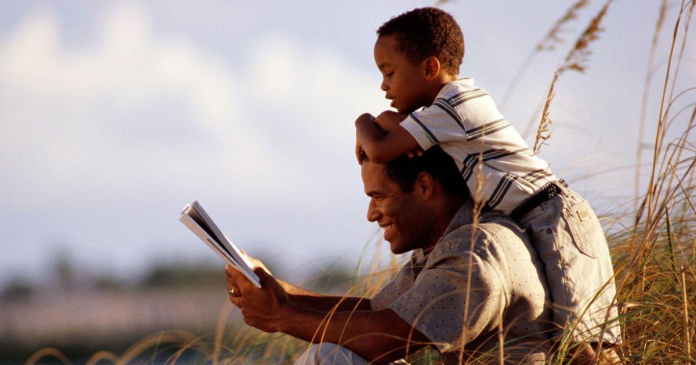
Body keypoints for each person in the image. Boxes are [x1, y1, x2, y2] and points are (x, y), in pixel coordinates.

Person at [354, 7, 621, 351]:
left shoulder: (450, 109)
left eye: (389, 72)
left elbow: (379, 149)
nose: (383, 85)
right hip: (539, 215)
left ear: (430, 68)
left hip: (553, 218)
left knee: (585, 347)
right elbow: (394, 128)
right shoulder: (453, 106)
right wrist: (387, 123)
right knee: (569, 342)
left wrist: (361, 121)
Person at [227, 147, 556, 364]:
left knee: (331, 359)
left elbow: (387, 337)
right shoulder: (449, 243)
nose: (372, 214)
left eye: (379, 196)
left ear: (424, 187)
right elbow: (377, 312)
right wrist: (279, 292)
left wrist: (280, 317)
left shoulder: (474, 255)